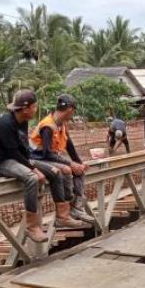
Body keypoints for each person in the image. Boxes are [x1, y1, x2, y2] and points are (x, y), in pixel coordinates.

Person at [0, 89, 66, 241]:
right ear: (25, 109)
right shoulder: (5, 124)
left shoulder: (23, 122)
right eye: (34, 106)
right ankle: (32, 226)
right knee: (32, 178)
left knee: (55, 172)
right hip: (4, 162)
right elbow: (12, 153)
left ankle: (62, 216)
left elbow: (24, 150)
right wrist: (34, 169)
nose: (36, 109)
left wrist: (35, 165)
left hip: (21, 159)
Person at [30, 94, 96, 225]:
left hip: (49, 157)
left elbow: (69, 145)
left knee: (79, 170)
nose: (72, 115)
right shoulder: (48, 126)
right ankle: (66, 209)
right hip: (37, 159)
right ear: (70, 109)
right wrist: (71, 163)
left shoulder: (61, 124)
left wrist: (79, 163)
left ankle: (76, 207)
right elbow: (47, 153)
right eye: (73, 111)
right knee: (66, 170)